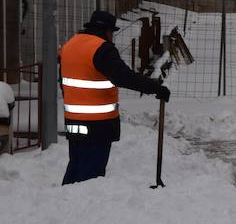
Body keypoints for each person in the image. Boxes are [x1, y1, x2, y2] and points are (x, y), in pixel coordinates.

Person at [59, 11, 170, 185]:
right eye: (112, 32)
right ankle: (83, 208)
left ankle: (64, 203)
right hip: (97, 125)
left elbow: (64, 82)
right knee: (90, 177)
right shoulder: (101, 49)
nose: (112, 36)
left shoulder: (70, 45)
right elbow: (124, 77)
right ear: (106, 30)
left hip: (73, 121)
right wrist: (155, 87)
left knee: (76, 166)